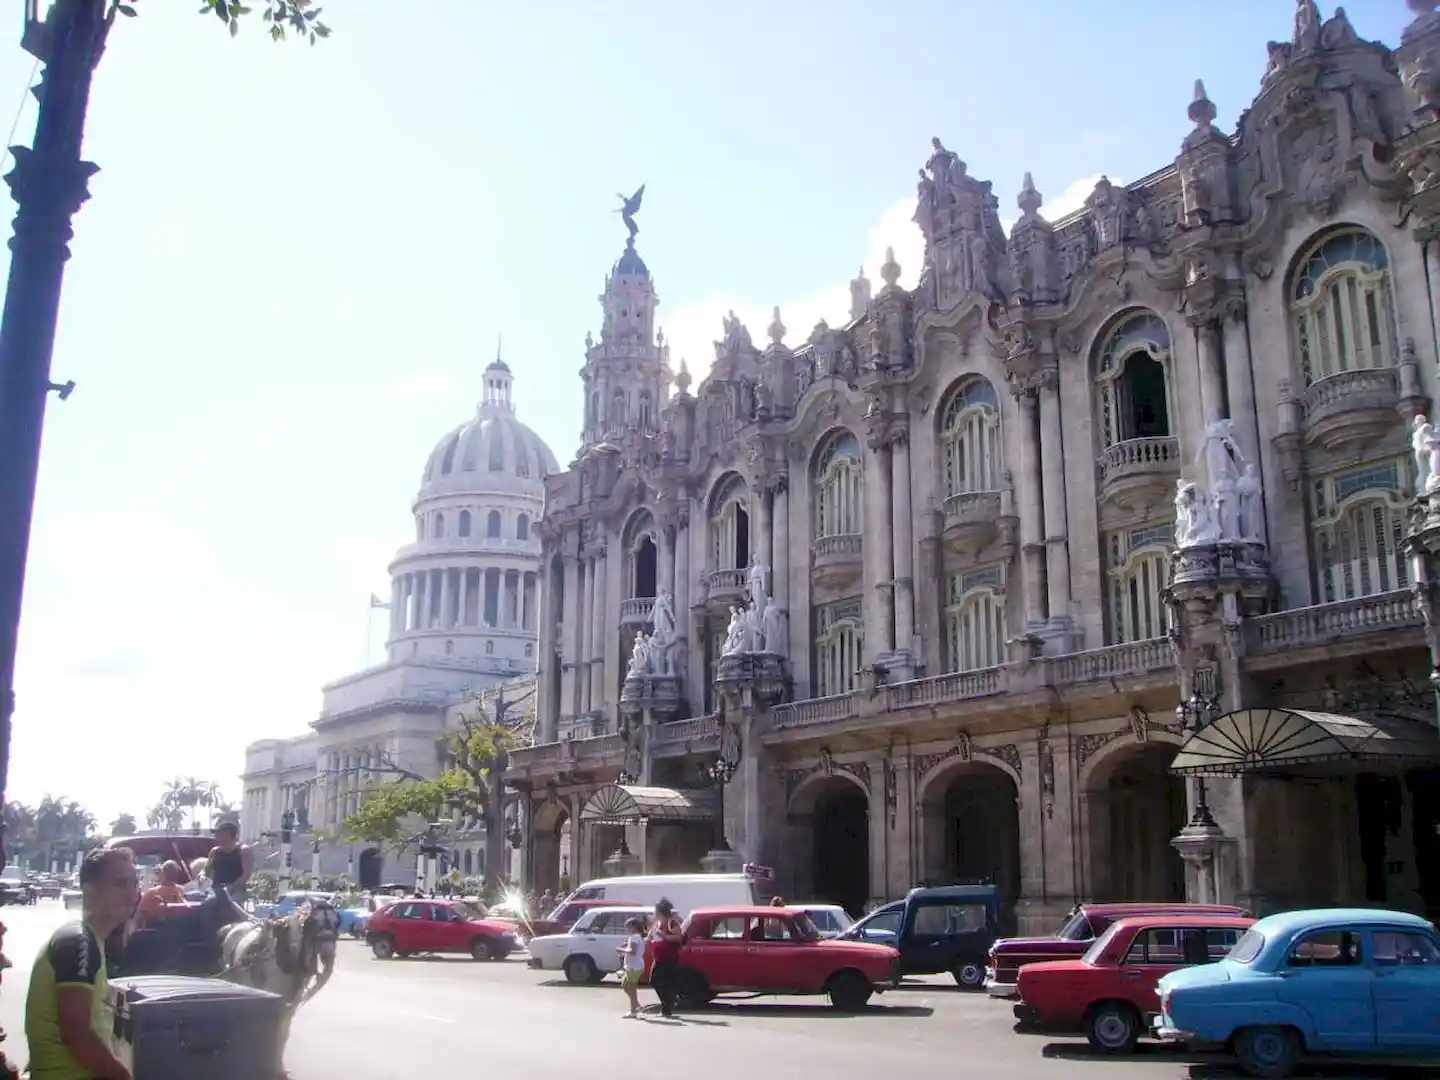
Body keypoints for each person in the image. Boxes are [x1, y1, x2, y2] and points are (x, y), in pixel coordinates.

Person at [26, 846, 139, 1080]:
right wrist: (122, 1076)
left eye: (134, 883)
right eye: (119, 883)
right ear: (89, 892)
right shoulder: (78, 941)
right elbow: (77, 1032)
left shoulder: (90, 940)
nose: (132, 892)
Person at [648, 899, 683, 1018]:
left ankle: (667, 1007)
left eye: (656, 911)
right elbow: (649, 937)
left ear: (661, 912)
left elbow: (678, 938)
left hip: (669, 958)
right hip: (658, 957)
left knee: (667, 983)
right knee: (654, 980)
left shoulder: (671, 922)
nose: (654, 913)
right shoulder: (657, 924)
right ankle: (667, 1004)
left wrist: (664, 936)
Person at [205, 822, 252, 903]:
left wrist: (231, 887)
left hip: (236, 889)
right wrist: (202, 876)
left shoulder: (243, 851)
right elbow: (207, 870)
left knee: (234, 906)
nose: (215, 836)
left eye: (218, 833)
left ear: (227, 834)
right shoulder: (215, 851)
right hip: (216, 888)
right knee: (207, 903)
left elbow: (246, 875)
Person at [135, 861, 186, 928]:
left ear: (163, 873)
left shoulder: (152, 893)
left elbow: (138, 917)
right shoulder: (182, 890)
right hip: (178, 929)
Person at [617, 916, 646, 1019]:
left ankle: (633, 1011)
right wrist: (626, 948)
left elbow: (632, 952)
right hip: (634, 966)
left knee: (632, 989)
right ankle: (637, 1005)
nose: (627, 929)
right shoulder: (638, 937)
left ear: (634, 927)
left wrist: (621, 949)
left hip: (634, 966)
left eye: (628, 927)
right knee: (625, 985)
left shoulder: (634, 937)